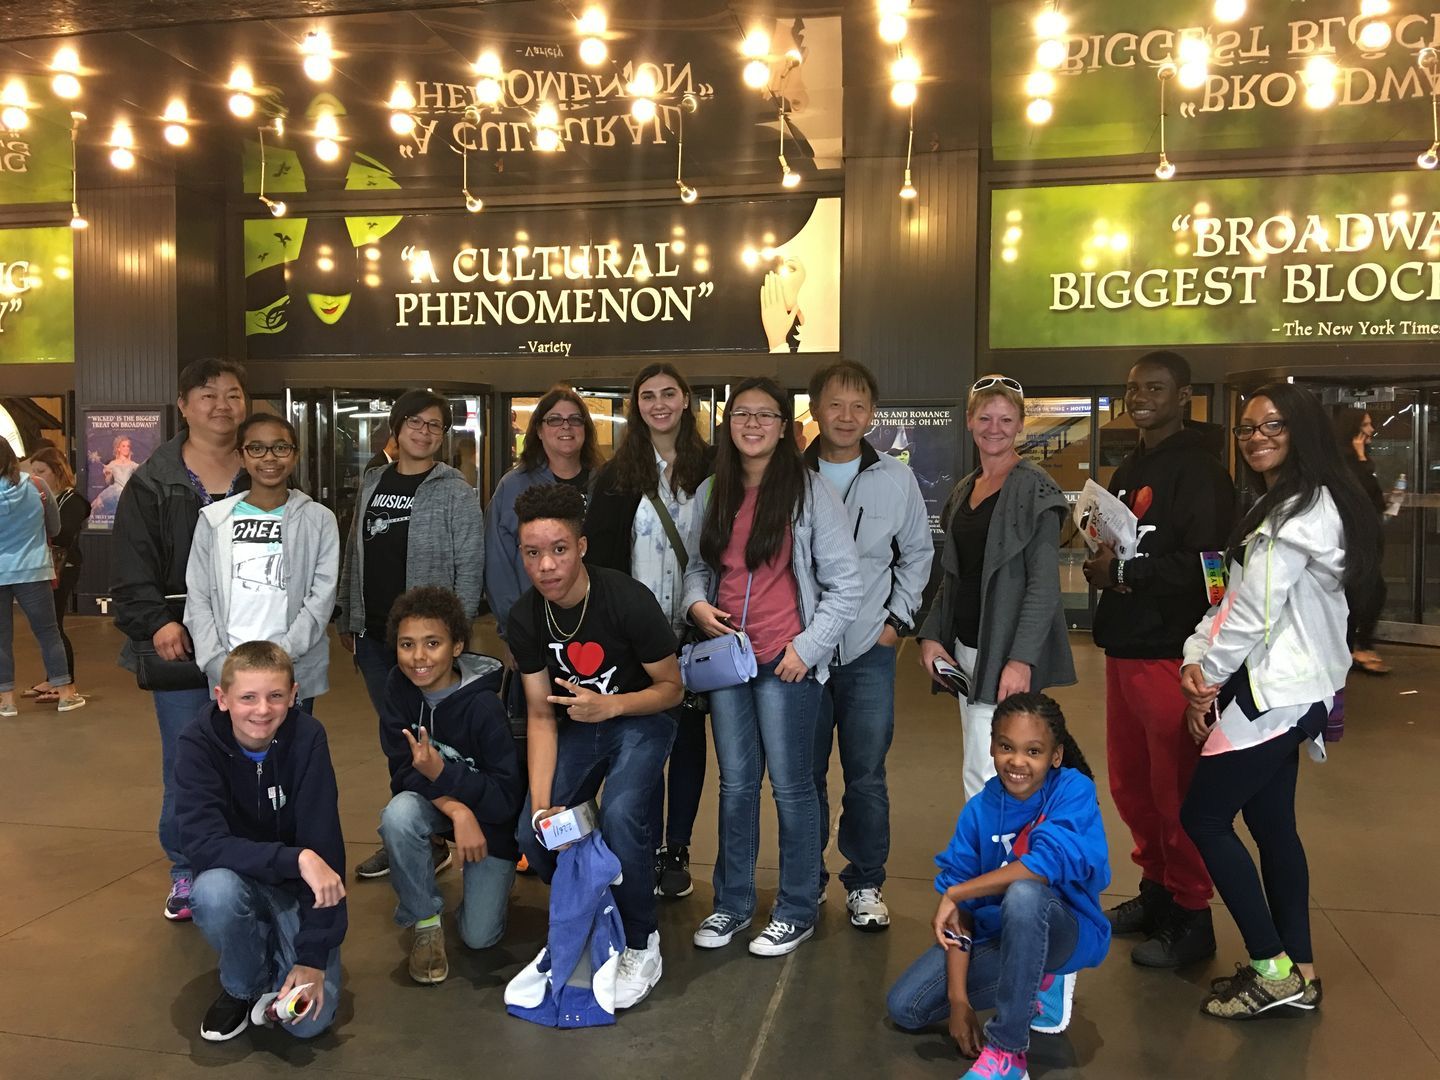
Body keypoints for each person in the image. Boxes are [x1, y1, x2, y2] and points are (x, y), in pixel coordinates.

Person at [1180, 383, 1380, 1021]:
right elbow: (1233, 599)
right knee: (1271, 827)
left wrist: (1205, 676)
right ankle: (1303, 972)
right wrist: (1196, 653)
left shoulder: (1301, 511)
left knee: (1205, 820)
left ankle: (1271, 970)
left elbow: (1252, 617)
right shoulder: (1283, 503)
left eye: (1272, 426)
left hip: (1279, 694)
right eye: (1246, 428)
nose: (1256, 437)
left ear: (1302, 432)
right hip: (1289, 688)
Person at [684, 377, 862, 958]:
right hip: (729, 664)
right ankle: (733, 904)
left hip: (786, 664)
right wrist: (696, 605)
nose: (753, 424)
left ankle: (795, 907)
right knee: (735, 786)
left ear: (784, 427)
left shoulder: (808, 493)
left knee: (791, 789)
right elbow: (696, 567)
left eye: (765, 415)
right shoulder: (716, 489)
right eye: (742, 414)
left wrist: (806, 650)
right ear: (728, 424)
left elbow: (846, 585)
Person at [1081, 351, 1234, 968]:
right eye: (1134, 387)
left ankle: (1193, 915)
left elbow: (1215, 571)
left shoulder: (1202, 473)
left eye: (1156, 387)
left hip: (1174, 655)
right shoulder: (1132, 467)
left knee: (1177, 790)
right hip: (1125, 648)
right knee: (1133, 787)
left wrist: (1124, 570)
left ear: (1184, 395)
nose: (1141, 396)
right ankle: (1156, 890)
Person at [509, 482, 683, 1010]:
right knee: (532, 832)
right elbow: (541, 713)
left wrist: (612, 705)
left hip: (641, 718)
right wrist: (542, 806)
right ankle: (593, 905)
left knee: (623, 813)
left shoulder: (627, 599)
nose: (545, 566)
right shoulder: (525, 618)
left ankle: (640, 939)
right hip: (578, 726)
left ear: (581, 547)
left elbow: (672, 689)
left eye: (558, 549)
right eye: (532, 553)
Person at [886, 694, 1111, 1080]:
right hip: (1003, 935)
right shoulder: (978, 811)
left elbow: (1041, 867)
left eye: (1033, 751)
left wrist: (957, 892)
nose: (1017, 761)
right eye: (1006, 747)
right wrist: (959, 1001)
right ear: (991, 746)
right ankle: (1036, 982)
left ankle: (1008, 1054)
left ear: (1055, 756)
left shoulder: (1073, 790)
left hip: (1067, 931)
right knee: (906, 1007)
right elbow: (961, 917)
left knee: (1025, 894)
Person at [112, 358, 250, 921]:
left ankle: (244, 859)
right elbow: (131, 565)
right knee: (189, 759)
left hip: (252, 643)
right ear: (184, 405)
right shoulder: (153, 481)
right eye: (209, 395)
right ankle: (187, 869)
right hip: (181, 644)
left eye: (234, 395)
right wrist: (157, 622)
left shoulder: (264, 467)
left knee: (255, 756)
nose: (223, 405)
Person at [804, 360, 932, 931]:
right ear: (814, 410)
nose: (847, 417)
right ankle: (805, 878)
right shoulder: (788, 475)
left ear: (872, 415)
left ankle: (864, 882)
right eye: (836, 404)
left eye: (859, 406)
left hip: (866, 651)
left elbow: (917, 555)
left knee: (866, 775)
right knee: (800, 776)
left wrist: (895, 623)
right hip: (801, 653)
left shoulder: (895, 478)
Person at [339, 389, 485, 881]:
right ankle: (406, 832)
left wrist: (453, 636)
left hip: (428, 643)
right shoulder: (373, 481)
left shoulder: (454, 489)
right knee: (396, 739)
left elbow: (471, 566)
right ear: (396, 429)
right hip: (376, 638)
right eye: (415, 423)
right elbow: (354, 553)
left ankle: (436, 833)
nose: (424, 433)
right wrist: (348, 617)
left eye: (435, 426)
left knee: (433, 738)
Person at [584, 363, 714, 899]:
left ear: (686, 400)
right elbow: (603, 560)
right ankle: (639, 845)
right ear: (635, 406)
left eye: (669, 393)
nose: (658, 404)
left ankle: (676, 848)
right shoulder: (616, 475)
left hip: (701, 628)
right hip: (637, 634)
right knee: (639, 741)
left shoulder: (716, 467)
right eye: (647, 396)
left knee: (686, 739)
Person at [176, 641, 346, 1043]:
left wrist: (312, 957)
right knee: (213, 892)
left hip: (293, 890)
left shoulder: (307, 738)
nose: (262, 710)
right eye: (247, 697)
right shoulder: (197, 743)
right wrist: (296, 858)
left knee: (307, 1024)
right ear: (222, 698)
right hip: (238, 879)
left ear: (294, 695)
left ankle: (279, 949)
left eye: (275, 696)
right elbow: (201, 843)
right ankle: (243, 985)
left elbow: (326, 850)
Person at [918, 375, 1075, 799]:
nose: (994, 427)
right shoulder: (965, 489)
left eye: (1006, 419)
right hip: (966, 650)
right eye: (985, 417)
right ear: (969, 421)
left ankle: (997, 862)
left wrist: (1021, 660)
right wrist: (931, 638)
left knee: (989, 771)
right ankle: (997, 859)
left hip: (1004, 653)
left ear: (1021, 424)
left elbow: (1044, 588)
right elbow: (953, 577)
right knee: (981, 758)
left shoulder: (1035, 489)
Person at [377, 586, 524, 984]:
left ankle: (494, 883)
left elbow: (506, 801)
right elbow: (402, 771)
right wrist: (455, 808)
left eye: (432, 643)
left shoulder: (484, 705)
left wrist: (444, 775)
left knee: (479, 938)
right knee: (399, 815)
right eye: (407, 644)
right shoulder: (398, 687)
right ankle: (424, 920)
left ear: (457, 645)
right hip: (444, 806)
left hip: (491, 819)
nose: (419, 657)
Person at [184, 414, 339, 710]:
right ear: (241, 456)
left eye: (280, 448)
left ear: (295, 455)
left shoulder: (319, 519)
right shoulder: (215, 520)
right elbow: (199, 596)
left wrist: (281, 657)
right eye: (256, 448)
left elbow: (322, 598)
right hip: (229, 666)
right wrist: (217, 662)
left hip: (293, 666)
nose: (269, 457)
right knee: (231, 754)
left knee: (290, 751)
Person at [486, 385, 603, 646]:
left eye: (575, 419)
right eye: (554, 420)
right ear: (539, 430)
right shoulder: (513, 486)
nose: (566, 427)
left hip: (600, 623)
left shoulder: (605, 482)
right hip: (535, 626)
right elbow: (497, 564)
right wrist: (514, 629)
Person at [0, 440, 85, 717]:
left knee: (1, 639)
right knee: (49, 633)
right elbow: (55, 527)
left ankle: (7, 701)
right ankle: (65, 695)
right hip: (34, 570)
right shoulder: (36, 486)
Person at [19, 446, 90, 703]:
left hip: (63, 567)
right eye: (34, 471)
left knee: (54, 625)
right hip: (41, 565)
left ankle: (65, 680)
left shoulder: (73, 501)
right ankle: (53, 676)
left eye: (42, 471)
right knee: (45, 625)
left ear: (57, 471)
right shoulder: (41, 497)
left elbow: (63, 533)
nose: (36, 476)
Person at [1333, 408, 1389, 675]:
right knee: (1368, 592)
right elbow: (1360, 494)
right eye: (1366, 424)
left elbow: (1375, 499)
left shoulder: (1359, 460)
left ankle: (1355, 647)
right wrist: (1360, 457)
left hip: (1366, 537)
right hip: (1352, 539)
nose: (1370, 430)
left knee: (1364, 593)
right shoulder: (1346, 461)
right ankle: (1356, 648)